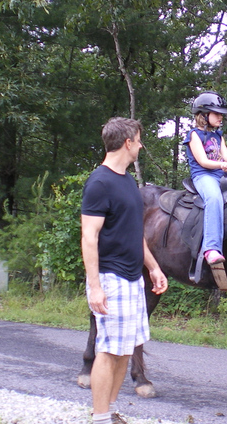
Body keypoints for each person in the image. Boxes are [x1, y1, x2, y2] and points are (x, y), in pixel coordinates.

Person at [81, 117, 168, 424]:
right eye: (139, 140)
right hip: (111, 278)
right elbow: (89, 236)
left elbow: (135, 233)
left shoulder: (128, 182)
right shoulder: (99, 183)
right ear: (128, 142)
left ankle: (110, 408)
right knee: (108, 350)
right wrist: (95, 286)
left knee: (125, 348)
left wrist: (154, 267)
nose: (142, 145)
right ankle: (100, 417)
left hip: (133, 278)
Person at [183, 91, 227, 265]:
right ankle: (210, 248)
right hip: (203, 176)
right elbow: (203, 161)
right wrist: (220, 165)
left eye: (221, 114)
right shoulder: (194, 135)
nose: (221, 117)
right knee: (213, 199)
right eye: (217, 114)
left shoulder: (217, 136)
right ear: (204, 115)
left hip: (221, 176)